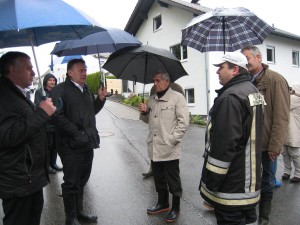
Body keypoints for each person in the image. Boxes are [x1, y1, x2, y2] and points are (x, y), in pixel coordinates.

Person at [199, 52, 264, 225]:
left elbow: (224, 147)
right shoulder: (253, 91)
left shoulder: (230, 97)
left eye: (221, 67)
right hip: (250, 184)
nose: (217, 72)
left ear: (235, 70)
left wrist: (211, 183)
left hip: (232, 188)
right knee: (249, 220)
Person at [0, 51, 56, 225]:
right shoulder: (3, 95)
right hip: (18, 181)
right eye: (29, 68)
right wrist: (41, 113)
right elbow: (7, 135)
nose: (33, 72)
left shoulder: (18, 93)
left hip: (30, 178)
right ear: (12, 69)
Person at [50, 59, 107, 225]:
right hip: (70, 145)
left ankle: (80, 213)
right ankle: (70, 217)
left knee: (82, 179)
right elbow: (56, 116)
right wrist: (76, 133)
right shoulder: (60, 90)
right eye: (81, 70)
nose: (85, 73)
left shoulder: (86, 89)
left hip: (87, 143)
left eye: (85, 70)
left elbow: (91, 111)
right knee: (71, 182)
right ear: (70, 73)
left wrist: (100, 100)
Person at [241, 45, 290, 225]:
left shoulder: (275, 80)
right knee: (249, 183)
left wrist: (275, 146)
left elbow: (281, 116)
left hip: (267, 145)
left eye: (247, 58)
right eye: (243, 59)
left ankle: (263, 220)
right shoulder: (246, 81)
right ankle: (250, 218)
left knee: (267, 183)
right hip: (249, 144)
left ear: (259, 57)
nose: (245, 62)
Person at [139, 71, 189, 222]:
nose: (155, 83)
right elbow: (147, 121)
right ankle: (162, 203)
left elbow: (184, 122)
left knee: (173, 179)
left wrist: (172, 140)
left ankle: (175, 207)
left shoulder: (177, 98)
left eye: (158, 81)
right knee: (159, 178)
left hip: (169, 148)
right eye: (154, 81)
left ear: (167, 82)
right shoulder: (152, 99)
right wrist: (143, 113)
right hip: (154, 147)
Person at [141, 82, 185, 178]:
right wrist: (144, 112)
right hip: (156, 133)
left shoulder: (177, 89)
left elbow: (182, 119)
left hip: (169, 133)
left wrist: (174, 138)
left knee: (171, 171)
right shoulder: (154, 88)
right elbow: (148, 118)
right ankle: (153, 168)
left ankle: (170, 176)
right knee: (155, 152)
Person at [35, 73, 63, 174]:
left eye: (54, 80)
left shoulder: (57, 91)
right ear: (46, 81)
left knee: (55, 145)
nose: (52, 82)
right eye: (50, 80)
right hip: (46, 124)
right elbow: (37, 106)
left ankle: (53, 163)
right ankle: (46, 166)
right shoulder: (40, 92)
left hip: (56, 123)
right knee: (48, 146)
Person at [281, 83, 300, 183]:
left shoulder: (295, 101)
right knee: (284, 152)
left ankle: (298, 173)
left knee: (294, 153)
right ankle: (287, 171)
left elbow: (284, 103)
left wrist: (294, 93)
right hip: (284, 129)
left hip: (294, 130)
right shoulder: (289, 98)